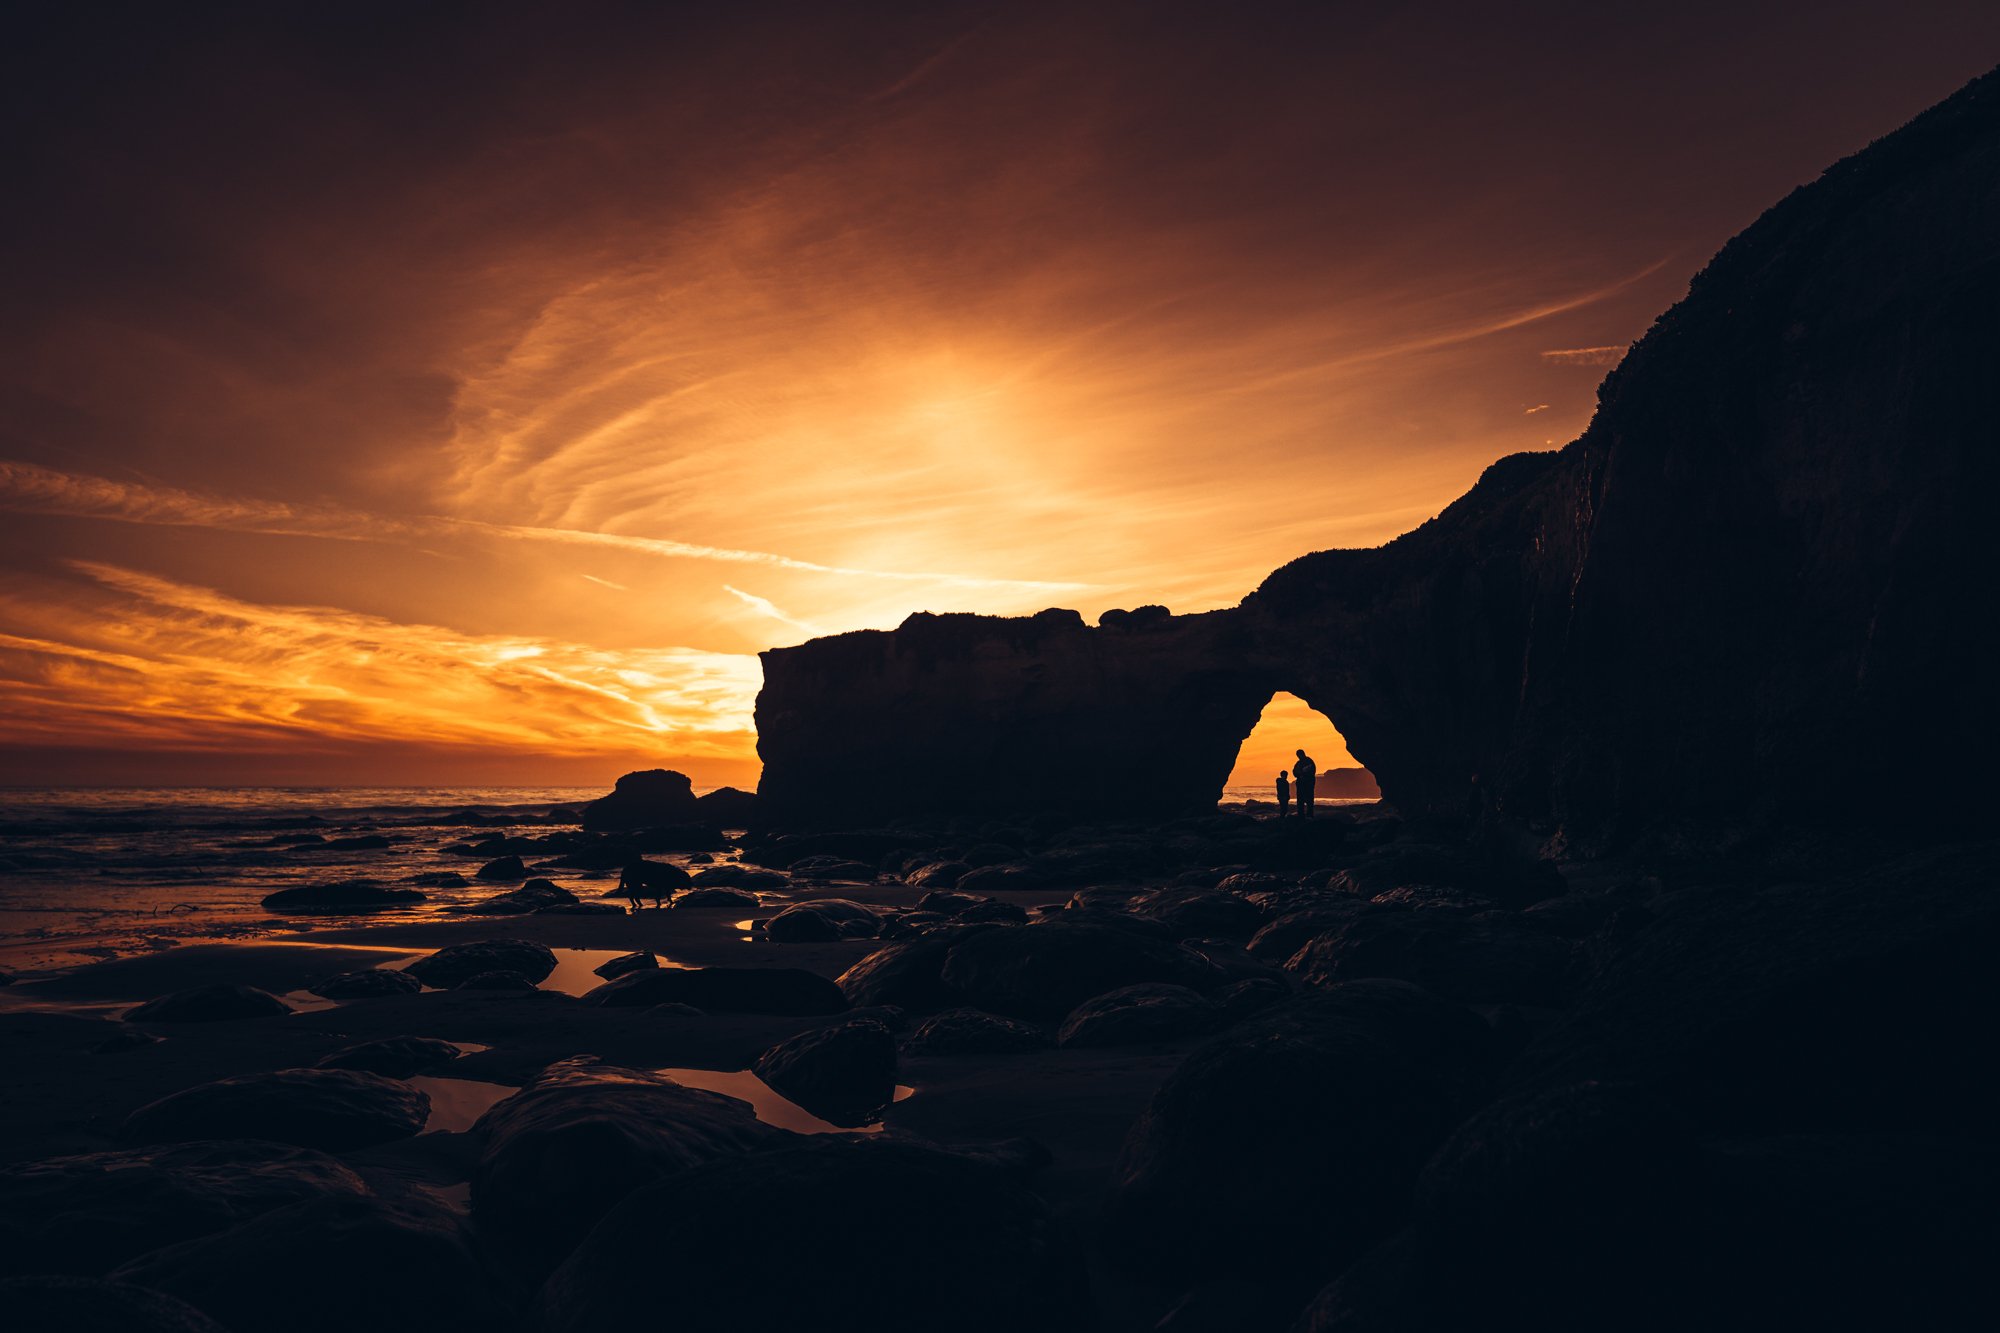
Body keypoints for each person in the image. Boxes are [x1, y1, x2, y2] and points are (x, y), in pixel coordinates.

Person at [1293, 748, 1318, 817]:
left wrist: (1302, 774)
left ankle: (1309, 815)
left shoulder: (1309, 761)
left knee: (1309, 801)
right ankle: (1301, 815)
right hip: (1301, 785)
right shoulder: (1298, 763)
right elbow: (1294, 772)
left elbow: (1312, 771)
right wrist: (1300, 774)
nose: (1298, 756)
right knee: (1301, 801)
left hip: (1308, 784)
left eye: (1299, 755)